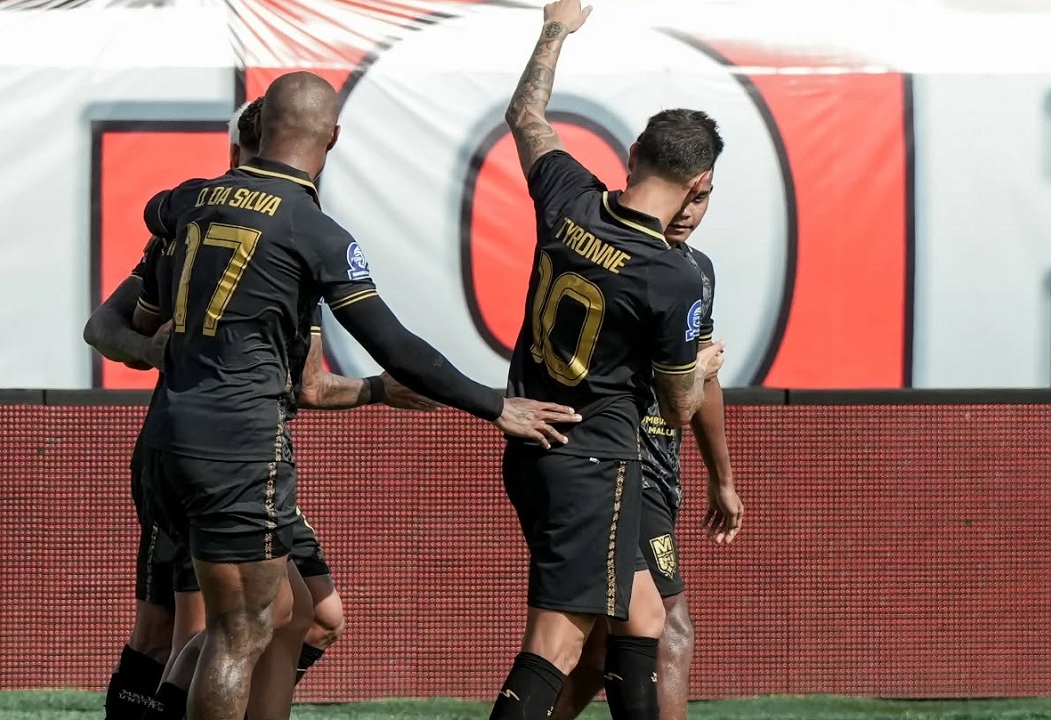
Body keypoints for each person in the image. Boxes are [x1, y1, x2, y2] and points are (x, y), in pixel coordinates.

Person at [137, 71, 581, 720]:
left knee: (280, 610)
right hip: (237, 448)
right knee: (241, 630)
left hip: (162, 443)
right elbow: (396, 348)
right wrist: (495, 406)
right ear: (334, 137)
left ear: (259, 126)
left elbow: (155, 215)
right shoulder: (314, 231)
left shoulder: (189, 199)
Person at [83, 96, 434, 720]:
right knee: (191, 630)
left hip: (247, 457)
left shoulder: (291, 236)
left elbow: (308, 385)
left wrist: (380, 390)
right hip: (207, 451)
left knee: (306, 616)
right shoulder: (202, 225)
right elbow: (106, 327)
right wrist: (149, 349)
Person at [488, 2, 727, 720]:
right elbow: (678, 409)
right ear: (699, 183)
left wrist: (555, 29)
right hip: (595, 463)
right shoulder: (673, 275)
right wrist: (700, 366)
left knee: (645, 618)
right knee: (556, 647)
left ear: (632, 154)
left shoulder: (571, 197)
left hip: (536, 442)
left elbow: (525, 115)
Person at [550, 170, 744, 720]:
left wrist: (722, 478)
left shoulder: (697, 271)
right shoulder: (615, 255)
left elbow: (703, 380)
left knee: (598, 651)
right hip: (615, 466)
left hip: (657, 473)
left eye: (701, 199)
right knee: (668, 624)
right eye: (683, 197)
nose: (688, 211)